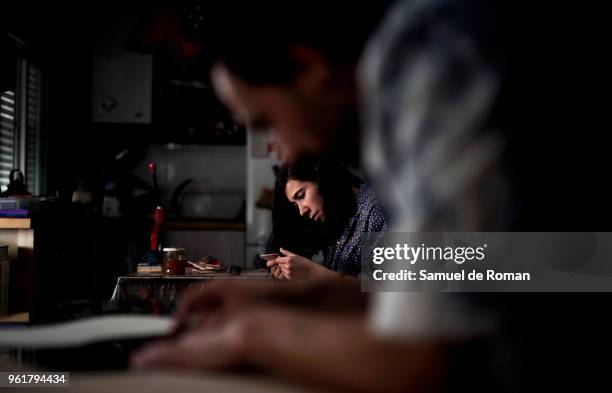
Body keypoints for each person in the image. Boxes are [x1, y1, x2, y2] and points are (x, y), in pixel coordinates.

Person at [132, 1, 610, 391]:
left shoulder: (426, 56)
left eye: (265, 122)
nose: (285, 150)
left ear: (308, 67)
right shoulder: (393, 104)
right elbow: (533, 265)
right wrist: (310, 296)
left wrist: (249, 336)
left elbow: (426, 358)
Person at [267, 155, 388, 280]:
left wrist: (311, 272)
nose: (301, 211)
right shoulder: (336, 216)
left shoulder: (380, 210)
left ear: (321, 176)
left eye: (301, 195)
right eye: (295, 204)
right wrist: (293, 272)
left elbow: (390, 291)